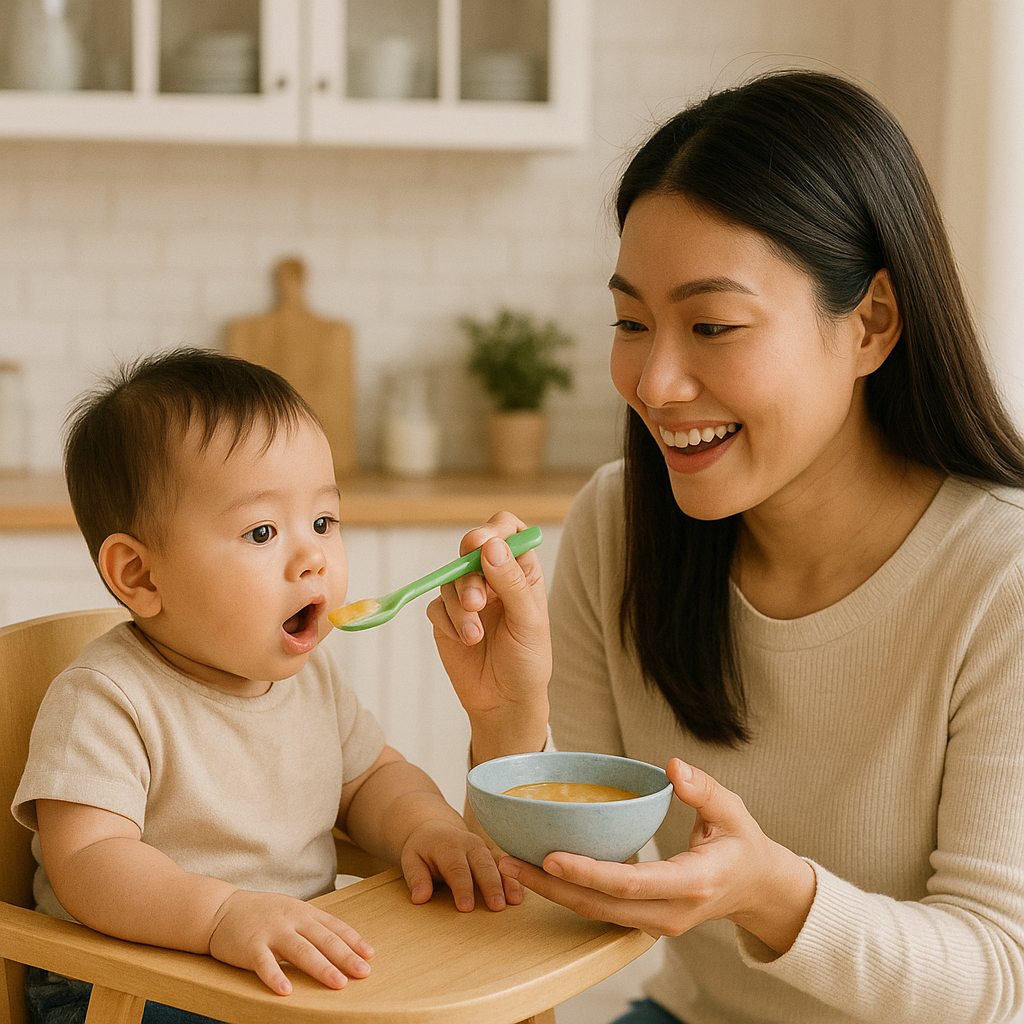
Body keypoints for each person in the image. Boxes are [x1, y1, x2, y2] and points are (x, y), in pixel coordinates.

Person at [428, 70, 1024, 1024]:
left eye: (714, 326)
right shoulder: (622, 526)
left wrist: (771, 893)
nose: (655, 382)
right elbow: (570, 897)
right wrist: (508, 726)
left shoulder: (1003, 580)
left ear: (870, 324)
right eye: (630, 322)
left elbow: (1002, 978)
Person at [12, 348, 512, 1024]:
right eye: (263, 531)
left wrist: (425, 827)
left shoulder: (312, 681)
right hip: (127, 985)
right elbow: (91, 862)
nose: (312, 557)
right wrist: (221, 914)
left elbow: (369, 779)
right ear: (140, 576)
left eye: (324, 522)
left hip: (278, 972)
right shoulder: (105, 697)